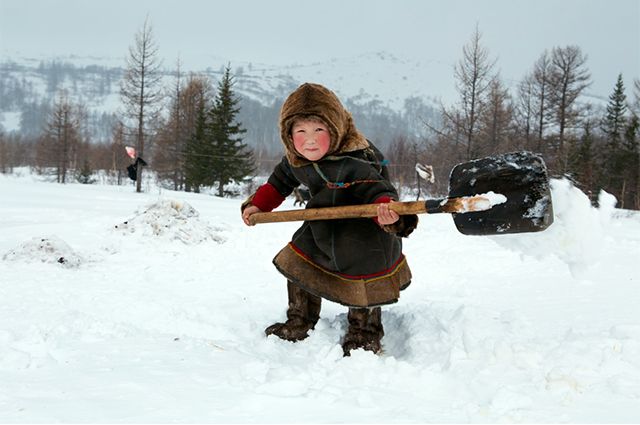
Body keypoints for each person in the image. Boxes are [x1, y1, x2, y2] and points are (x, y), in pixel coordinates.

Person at [241, 83, 417, 356]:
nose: (309, 140)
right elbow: (277, 184)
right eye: (300, 131)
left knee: (363, 281)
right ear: (289, 135)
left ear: (334, 130)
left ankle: (364, 332)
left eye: (318, 130)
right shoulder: (296, 160)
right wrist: (257, 206)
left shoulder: (357, 159)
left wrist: (386, 211)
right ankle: (300, 320)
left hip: (363, 232)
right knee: (299, 263)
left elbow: (378, 190)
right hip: (322, 226)